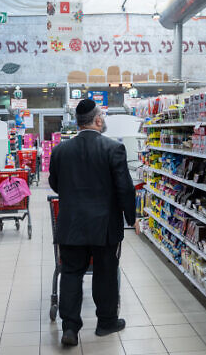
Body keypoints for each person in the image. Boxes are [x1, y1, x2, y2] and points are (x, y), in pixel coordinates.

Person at [48, 99, 137, 346]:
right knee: (106, 273)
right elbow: (125, 189)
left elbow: (55, 184)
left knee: (71, 273)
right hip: (105, 227)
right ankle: (106, 322)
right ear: (97, 120)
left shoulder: (60, 151)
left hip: (70, 225)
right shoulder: (113, 149)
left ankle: (69, 328)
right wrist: (132, 217)